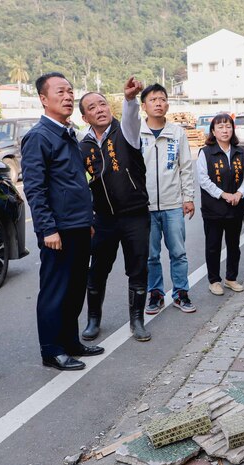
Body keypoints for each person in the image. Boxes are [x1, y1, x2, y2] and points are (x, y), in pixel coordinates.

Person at [21, 72, 104, 371]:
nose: (68, 96)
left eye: (70, 91)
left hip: (79, 225)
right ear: (44, 99)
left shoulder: (68, 133)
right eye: (60, 92)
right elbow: (35, 187)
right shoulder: (39, 137)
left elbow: (74, 182)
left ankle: (71, 342)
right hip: (58, 230)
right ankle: (52, 350)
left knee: (75, 288)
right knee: (56, 290)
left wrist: (88, 219)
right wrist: (47, 228)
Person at [78, 78, 151, 342]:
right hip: (104, 219)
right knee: (97, 269)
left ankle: (137, 320)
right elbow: (80, 186)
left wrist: (130, 99)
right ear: (85, 117)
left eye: (102, 103)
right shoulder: (82, 146)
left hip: (135, 215)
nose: (100, 109)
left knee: (138, 267)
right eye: (92, 107)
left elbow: (131, 116)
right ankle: (93, 319)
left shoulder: (126, 133)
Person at [139, 84, 196, 314]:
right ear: (144, 106)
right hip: (146, 207)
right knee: (151, 255)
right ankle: (156, 294)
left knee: (178, 253)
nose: (158, 103)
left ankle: (181, 293)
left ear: (168, 105)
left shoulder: (177, 133)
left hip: (173, 205)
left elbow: (186, 168)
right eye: (153, 100)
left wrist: (188, 197)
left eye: (162, 99)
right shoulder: (136, 133)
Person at [196, 114, 244, 296]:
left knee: (233, 245)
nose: (224, 130)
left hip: (235, 208)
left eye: (228, 126)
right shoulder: (205, 152)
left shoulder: (240, 152)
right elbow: (203, 179)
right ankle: (214, 281)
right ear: (213, 131)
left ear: (232, 129)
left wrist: (239, 193)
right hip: (213, 209)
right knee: (213, 245)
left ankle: (231, 278)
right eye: (220, 127)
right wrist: (223, 194)